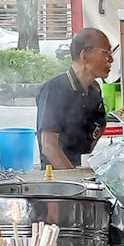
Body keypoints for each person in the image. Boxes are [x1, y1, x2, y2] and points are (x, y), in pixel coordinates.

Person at [36, 27, 114, 168]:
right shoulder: (54, 89)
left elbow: (100, 126)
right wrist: (76, 179)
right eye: (106, 53)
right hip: (58, 181)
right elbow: (49, 146)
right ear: (84, 55)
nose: (111, 59)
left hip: (81, 171)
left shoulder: (95, 90)